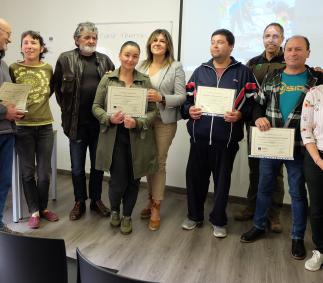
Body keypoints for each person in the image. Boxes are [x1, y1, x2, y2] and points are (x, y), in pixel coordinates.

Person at [240, 35, 322, 260]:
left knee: (297, 193)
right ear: (284, 53)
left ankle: (297, 237)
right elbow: (257, 104)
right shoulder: (273, 77)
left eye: (299, 49)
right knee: (264, 187)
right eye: (289, 49)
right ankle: (258, 225)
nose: (293, 53)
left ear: (308, 52)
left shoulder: (317, 79)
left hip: (301, 147)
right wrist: (257, 118)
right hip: (271, 145)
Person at [180, 29, 257, 238]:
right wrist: (189, 110)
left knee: (222, 182)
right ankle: (194, 216)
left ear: (231, 46)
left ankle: (218, 220)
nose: (215, 45)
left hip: (226, 140)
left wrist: (241, 114)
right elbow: (186, 102)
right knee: (195, 180)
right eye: (213, 42)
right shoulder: (199, 71)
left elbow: (254, 104)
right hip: (199, 138)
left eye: (220, 42)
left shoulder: (243, 72)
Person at [92, 41, 157, 235]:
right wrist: (109, 118)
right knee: (118, 181)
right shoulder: (108, 79)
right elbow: (96, 107)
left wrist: (137, 123)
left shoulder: (144, 81)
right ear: (120, 55)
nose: (130, 59)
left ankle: (127, 215)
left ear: (139, 58)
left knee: (134, 179)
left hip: (138, 139)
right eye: (127, 55)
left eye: (135, 56)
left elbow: (153, 112)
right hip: (114, 138)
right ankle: (114, 211)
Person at [53, 22, 114, 221]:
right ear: (76, 39)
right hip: (76, 125)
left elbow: (114, 89)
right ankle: (79, 201)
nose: (91, 41)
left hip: (99, 125)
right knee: (78, 167)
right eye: (87, 37)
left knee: (97, 166)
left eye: (94, 38)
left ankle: (96, 200)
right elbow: (59, 92)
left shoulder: (105, 61)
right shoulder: (65, 59)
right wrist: (69, 112)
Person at [234, 23, 286, 233]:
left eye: (275, 36)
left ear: (282, 38)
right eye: (267, 36)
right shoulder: (252, 63)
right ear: (262, 39)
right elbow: (247, 94)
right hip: (255, 124)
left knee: (277, 172)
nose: (271, 40)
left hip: (280, 127)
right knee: (255, 167)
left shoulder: (288, 61)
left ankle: (273, 215)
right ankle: (252, 207)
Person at [137, 29, 186, 231]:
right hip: (143, 120)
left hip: (164, 121)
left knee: (159, 162)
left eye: (162, 41)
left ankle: (156, 206)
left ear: (168, 46)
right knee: (149, 162)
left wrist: (162, 98)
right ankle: (150, 200)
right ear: (149, 43)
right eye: (155, 40)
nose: (158, 43)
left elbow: (182, 96)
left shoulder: (175, 66)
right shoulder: (141, 65)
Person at [9, 31, 58, 229]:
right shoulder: (13, 68)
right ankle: (34, 211)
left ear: (41, 47)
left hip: (45, 125)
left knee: (44, 172)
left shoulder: (48, 68)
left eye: (34, 42)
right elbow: (7, 93)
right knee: (28, 172)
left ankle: (44, 208)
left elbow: (50, 90)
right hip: (22, 128)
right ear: (21, 47)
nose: (29, 46)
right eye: (25, 43)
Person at [0, 18, 25, 233]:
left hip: (7, 131)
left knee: (4, 181)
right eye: (7, 33)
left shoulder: (4, 64)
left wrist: (15, 110)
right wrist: (3, 111)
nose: (9, 37)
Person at [301, 84, 323, 271]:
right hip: (316, 155)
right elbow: (306, 130)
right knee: (317, 208)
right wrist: (318, 159)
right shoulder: (315, 94)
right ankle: (320, 250)